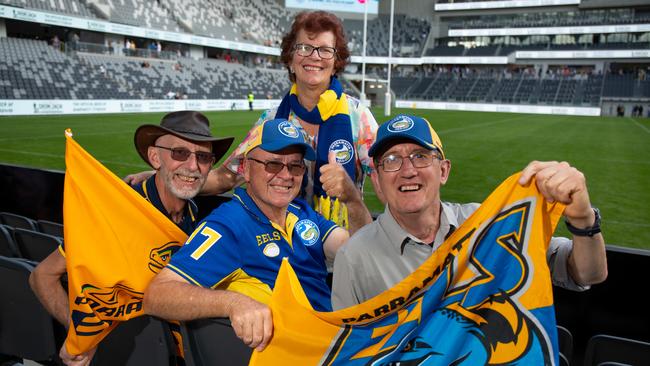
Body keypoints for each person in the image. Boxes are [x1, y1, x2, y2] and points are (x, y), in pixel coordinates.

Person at [126, 11, 378, 234]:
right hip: (287, 244)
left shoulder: (359, 116)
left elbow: (386, 181)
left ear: (336, 62)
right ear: (290, 59)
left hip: (344, 244)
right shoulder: (270, 120)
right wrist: (163, 176)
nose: (314, 56)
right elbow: (227, 177)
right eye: (303, 47)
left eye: (325, 49)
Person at [331, 114, 608, 309]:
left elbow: (586, 274)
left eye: (420, 156)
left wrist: (584, 219)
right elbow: (351, 352)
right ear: (376, 180)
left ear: (443, 170)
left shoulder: (489, 225)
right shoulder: (354, 258)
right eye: (391, 160)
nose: (408, 170)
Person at [29, 111, 234, 365]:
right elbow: (42, 276)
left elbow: (218, 180)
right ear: (155, 157)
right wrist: (81, 334)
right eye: (179, 153)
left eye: (203, 157)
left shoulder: (189, 206)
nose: (193, 166)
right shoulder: (119, 214)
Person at [143, 118, 350, 352]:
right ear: (246, 170)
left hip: (338, 339)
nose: (286, 175)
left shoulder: (300, 210)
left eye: (295, 166)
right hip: (303, 351)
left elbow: (356, 252)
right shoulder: (229, 226)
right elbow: (157, 295)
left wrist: (351, 200)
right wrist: (233, 303)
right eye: (273, 164)